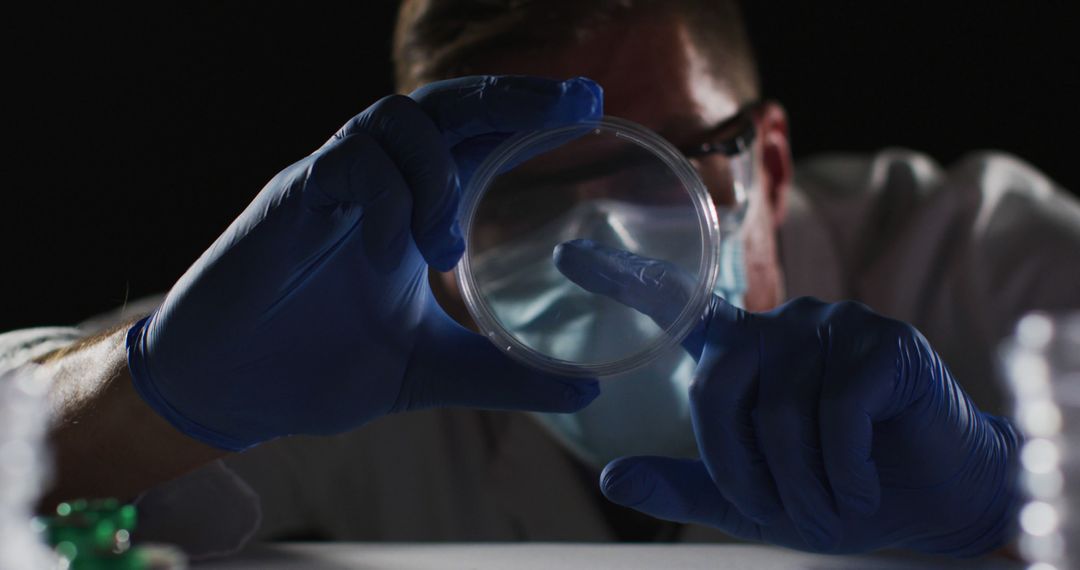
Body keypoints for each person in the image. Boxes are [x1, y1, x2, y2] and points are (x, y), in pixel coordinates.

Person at [4, 0, 1078, 560]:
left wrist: (1014, 503)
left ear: (773, 165)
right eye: (519, 189)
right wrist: (148, 396)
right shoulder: (367, 342)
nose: (601, 236)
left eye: (660, 158)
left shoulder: (982, 253)